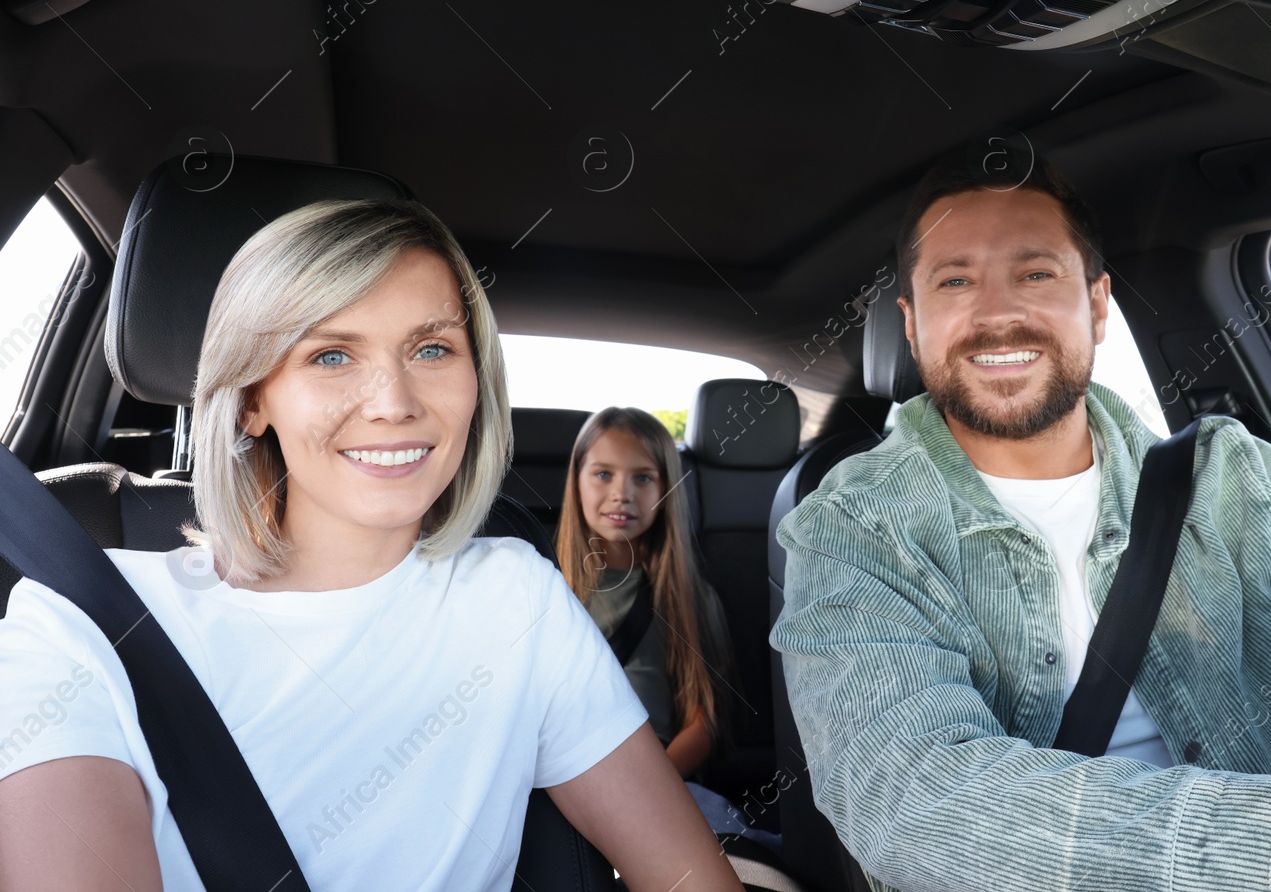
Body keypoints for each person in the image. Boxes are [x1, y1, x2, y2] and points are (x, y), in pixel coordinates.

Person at [769, 153, 1271, 892]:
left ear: (1096, 307)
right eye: (954, 280)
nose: (997, 313)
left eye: (1036, 274)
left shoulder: (1226, 479)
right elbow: (917, 793)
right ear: (913, 326)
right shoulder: (852, 529)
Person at [0, 198, 743, 892]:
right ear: (254, 397)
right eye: (331, 356)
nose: (394, 402)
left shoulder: (518, 598)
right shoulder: (78, 623)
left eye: (430, 348)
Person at [556, 407, 780, 853]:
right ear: (576, 479)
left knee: (744, 853)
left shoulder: (685, 594)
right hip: (559, 777)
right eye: (603, 474)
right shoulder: (546, 587)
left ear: (666, 491)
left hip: (658, 774)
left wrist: (644, 785)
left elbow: (705, 721)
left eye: (643, 478)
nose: (622, 493)